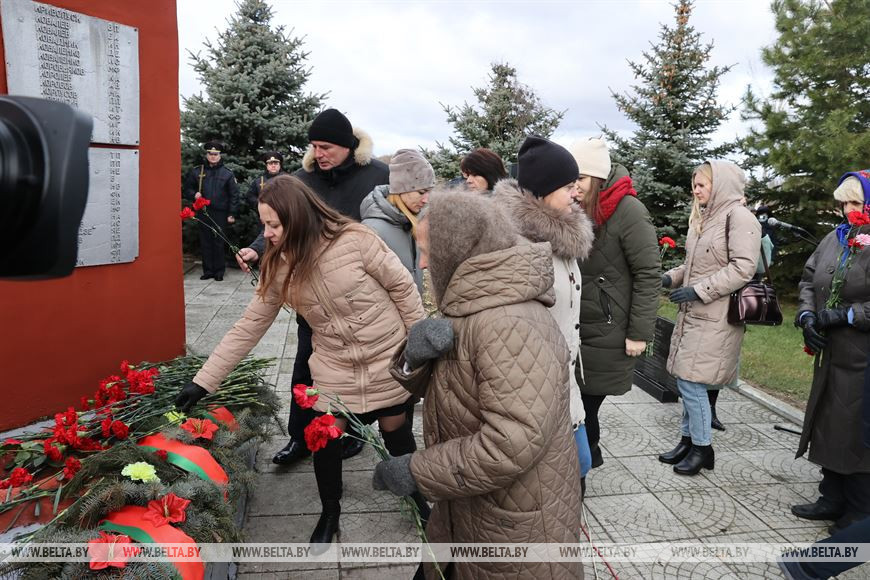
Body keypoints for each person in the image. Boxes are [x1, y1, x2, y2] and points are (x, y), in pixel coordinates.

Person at [175, 175, 425, 552]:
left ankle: (419, 499)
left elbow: (403, 289)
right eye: (264, 225)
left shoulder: (356, 240)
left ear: (298, 217)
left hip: (386, 356)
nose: (267, 233)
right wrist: (204, 381)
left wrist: (417, 349)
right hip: (334, 366)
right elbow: (250, 324)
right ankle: (330, 511)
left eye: (273, 224)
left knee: (396, 432)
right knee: (324, 439)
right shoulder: (280, 266)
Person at [374, 189, 583, 580]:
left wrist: (418, 471)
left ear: (456, 251)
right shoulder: (474, 304)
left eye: (427, 252)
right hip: (471, 506)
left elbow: (510, 442)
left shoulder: (509, 323)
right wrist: (413, 358)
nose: (420, 264)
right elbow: (454, 389)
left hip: (514, 529)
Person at [235, 109, 390, 466]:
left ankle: (351, 433)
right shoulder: (303, 179)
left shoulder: (379, 176)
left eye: (326, 147)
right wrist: (257, 249)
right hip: (313, 293)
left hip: (363, 295)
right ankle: (299, 438)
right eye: (314, 146)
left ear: (349, 146)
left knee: (359, 372)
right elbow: (277, 222)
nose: (318, 153)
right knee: (306, 366)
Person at [494, 135, 595, 489]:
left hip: (565, 381)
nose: (576, 193)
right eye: (568, 185)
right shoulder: (517, 244)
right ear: (542, 189)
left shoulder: (564, 237)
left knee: (579, 466)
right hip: (532, 391)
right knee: (557, 481)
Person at [658, 161, 760, 476]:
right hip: (696, 314)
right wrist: (671, 278)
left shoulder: (739, 217)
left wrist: (698, 291)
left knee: (692, 381)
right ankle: (688, 441)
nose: (695, 190)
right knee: (688, 377)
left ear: (721, 184)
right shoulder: (705, 218)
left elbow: (743, 267)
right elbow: (695, 265)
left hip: (717, 315)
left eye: (702, 184)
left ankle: (703, 448)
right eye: (695, 184)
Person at [568, 137, 661, 469]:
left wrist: (639, 333)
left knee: (584, 404)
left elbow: (648, 272)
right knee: (577, 402)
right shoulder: (577, 208)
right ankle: (589, 456)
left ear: (596, 177)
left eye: (579, 179)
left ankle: (583, 463)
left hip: (608, 326)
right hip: (579, 324)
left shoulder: (628, 210)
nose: (573, 187)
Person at [791, 170, 870, 534]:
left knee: (854, 427)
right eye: (844, 203)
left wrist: (847, 314)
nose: (848, 210)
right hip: (830, 350)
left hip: (862, 355)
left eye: (856, 202)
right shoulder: (835, 238)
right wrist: (808, 315)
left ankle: (858, 508)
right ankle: (831, 496)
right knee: (828, 419)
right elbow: (809, 278)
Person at [360, 149, 434, 294]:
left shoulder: (413, 221)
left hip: (413, 312)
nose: (426, 199)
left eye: (429, 192)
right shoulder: (372, 230)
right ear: (400, 189)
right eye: (421, 192)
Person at [182, 140, 239, 281]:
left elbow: (234, 195)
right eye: (210, 154)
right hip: (203, 211)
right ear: (207, 155)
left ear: (220, 155)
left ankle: (219, 271)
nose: (213, 156)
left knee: (219, 241)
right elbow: (186, 189)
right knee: (205, 241)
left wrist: (232, 213)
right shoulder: (197, 171)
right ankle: (208, 271)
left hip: (220, 212)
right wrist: (193, 194)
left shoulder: (227, 174)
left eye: (216, 154)